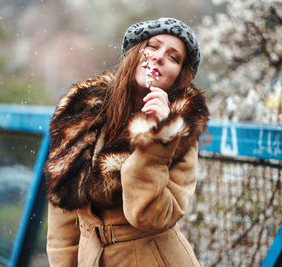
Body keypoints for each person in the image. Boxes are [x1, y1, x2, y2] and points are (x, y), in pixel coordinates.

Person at [44, 17, 209, 267]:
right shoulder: (81, 112)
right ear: (135, 51)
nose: (159, 57)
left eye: (174, 57)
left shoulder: (179, 130)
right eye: (153, 46)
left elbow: (148, 216)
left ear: (178, 76)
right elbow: (63, 211)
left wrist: (158, 141)